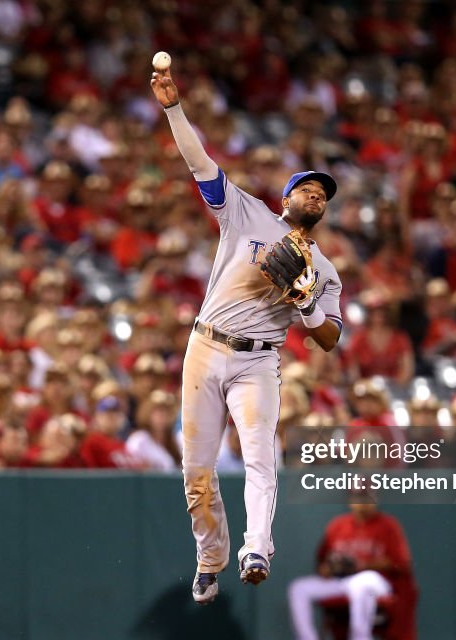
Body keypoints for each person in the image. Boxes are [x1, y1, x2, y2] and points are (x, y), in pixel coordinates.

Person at [151, 58, 343, 604]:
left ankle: (256, 549)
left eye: (323, 195)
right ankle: (209, 558)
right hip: (207, 346)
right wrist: (173, 109)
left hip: (259, 361)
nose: (316, 197)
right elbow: (200, 163)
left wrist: (305, 303)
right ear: (286, 199)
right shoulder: (248, 215)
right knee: (196, 472)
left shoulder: (325, 272)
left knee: (262, 457)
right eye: (307, 190)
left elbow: (329, 338)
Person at [288, 495, 417, 640]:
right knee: (299, 588)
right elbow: (322, 559)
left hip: (376, 579)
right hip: (342, 580)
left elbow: (400, 562)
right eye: (358, 498)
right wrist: (326, 569)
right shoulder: (338, 525)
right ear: (350, 501)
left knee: (361, 584)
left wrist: (364, 564)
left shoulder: (388, 525)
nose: (363, 504)